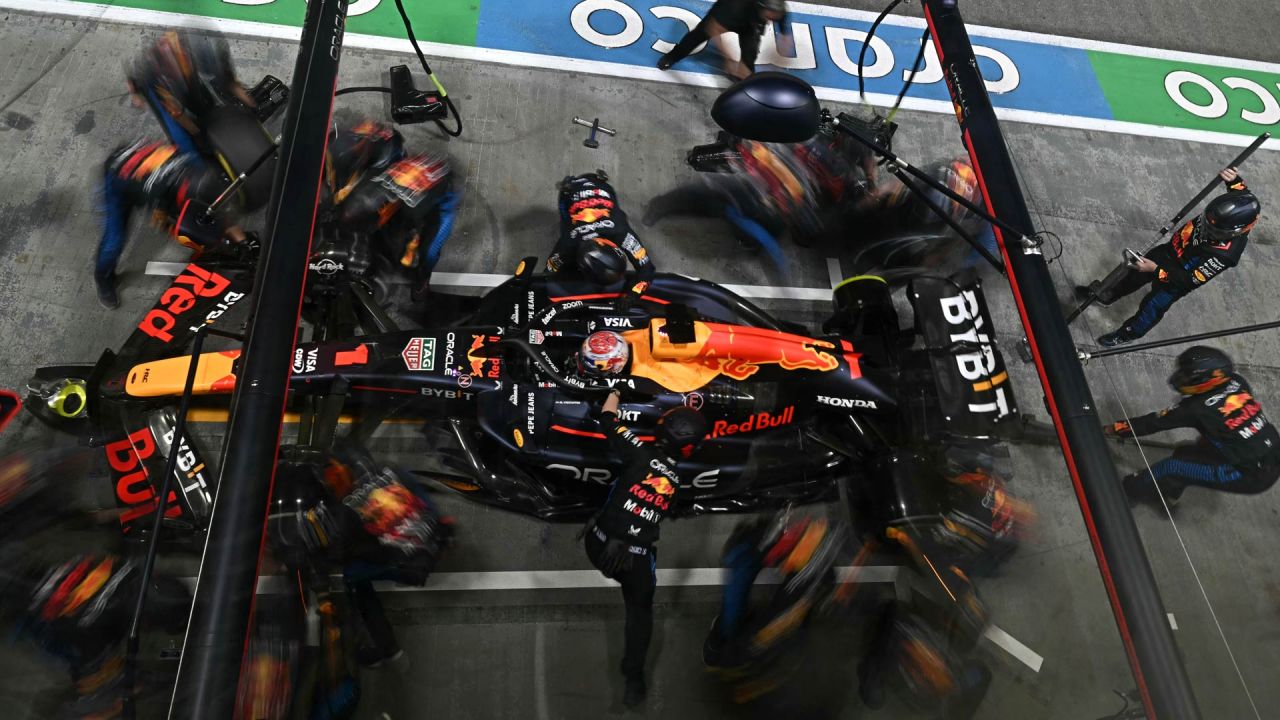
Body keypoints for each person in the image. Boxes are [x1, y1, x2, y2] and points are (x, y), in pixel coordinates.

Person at [584, 390, 706, 706]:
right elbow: (671, 506)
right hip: (634, 563)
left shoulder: (638, 452)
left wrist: (613, 391)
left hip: (597, 543)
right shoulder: (676, 481)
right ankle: (633, 679)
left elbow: (607, 418)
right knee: (640, 612)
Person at [1090, 168, 1258, 347]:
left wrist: (1155, 270)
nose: (1207, 229)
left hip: (1177, 277)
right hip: (1169, 250)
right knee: (1133, 274)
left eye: (1216, 231)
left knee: (1152, 307)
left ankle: (1127, 334)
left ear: (1239, 230)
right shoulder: (1241, 203)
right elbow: (1240, 191)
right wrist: (1233, 180)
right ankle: (1107, 294)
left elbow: (1188, 281)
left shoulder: (1226, 255)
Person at [1104, 346, 1280, 505]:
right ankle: (1169, 492)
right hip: (1270, 451)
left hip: (1249, 474)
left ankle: (1128, 491)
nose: (1181, 378)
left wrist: (1114, 429)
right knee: (1186, 453)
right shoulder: (1237, 381)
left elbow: (1151, 423)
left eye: (1188, 376)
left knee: (1172, 467)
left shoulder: (1195, 408)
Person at [95, 140, 249, 308]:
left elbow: (222, 217)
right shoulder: (159, 198)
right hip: (117, 177)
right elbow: (164, 226)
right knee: (114, 241)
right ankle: (103, 278)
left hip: (139, 160)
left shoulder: (195, 165)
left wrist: (244, 244)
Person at [331, 121, 460, 301]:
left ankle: (422, 281)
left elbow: (410, 246)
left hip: (441, 199)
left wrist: (409, 252)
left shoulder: (409, 210)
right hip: (412, 176)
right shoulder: (374, 184)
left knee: (427, 252)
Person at [550, 172, 654, 311]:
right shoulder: (568, 242)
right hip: (571, 192)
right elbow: (549, 273)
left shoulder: (622, 234)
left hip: (602, 187)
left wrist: (631, 297)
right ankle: (569, 184)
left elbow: (647, 269)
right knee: (566, 223)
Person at [656, 0, 793, 79]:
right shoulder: (735, 8)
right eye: (771, 16)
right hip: (723, 17)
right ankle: (672, 57)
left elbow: (783, 29)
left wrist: (783, 47)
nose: (772, 20)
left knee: (750, 51)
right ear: (761, 7)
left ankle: (743, 81)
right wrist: (727, 60)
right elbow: (714, 29)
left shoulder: (777, 10)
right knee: (696, 37)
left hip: (750, 24)